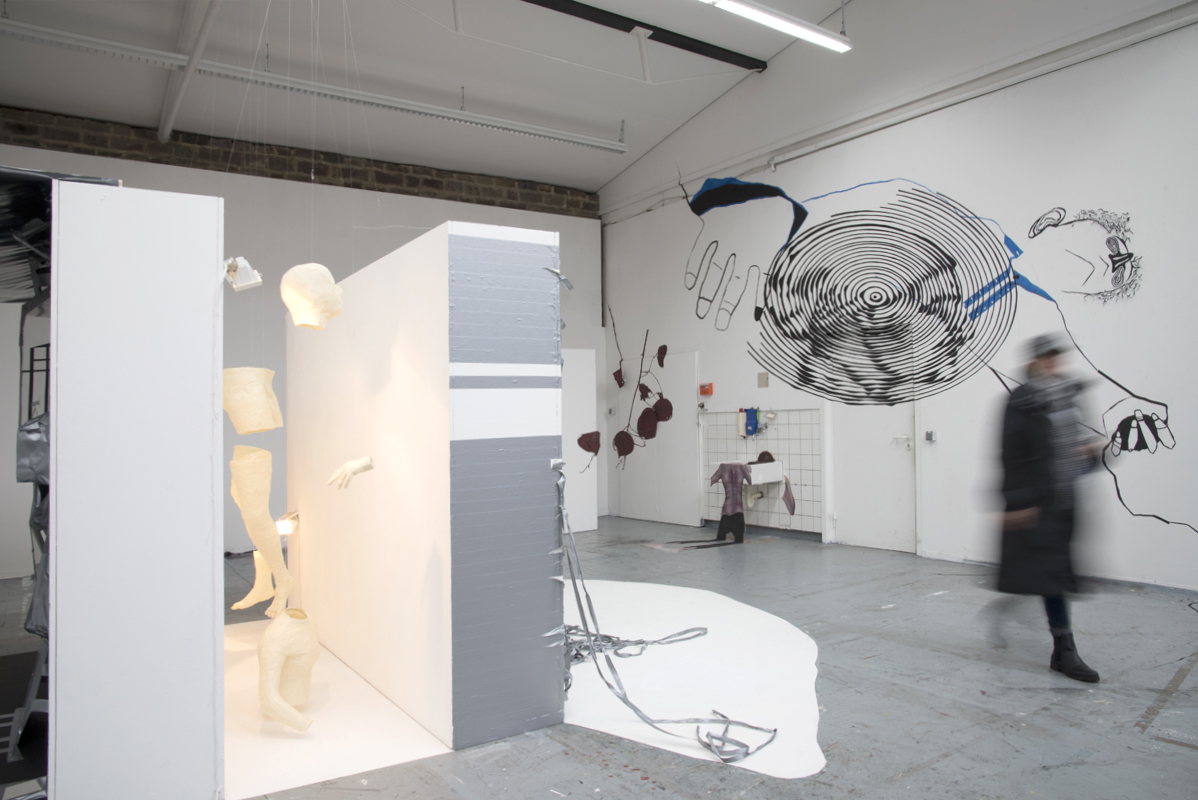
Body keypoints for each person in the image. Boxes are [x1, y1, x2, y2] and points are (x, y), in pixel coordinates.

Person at [996, 333, 1101, 682]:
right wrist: (1017, 501)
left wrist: (1092, 455)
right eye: (1045, 357)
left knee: (1055, 574)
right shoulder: (1021, 401)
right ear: (1033, 362)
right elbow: (1009, 455)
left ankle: (1016, 608)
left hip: (1068, 500)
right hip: (1040, 504)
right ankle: (1064, 650)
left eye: (1055, 356)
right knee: (1054, 575)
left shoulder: (1071, 395)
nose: (1052, 362)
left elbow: (1079, 445)